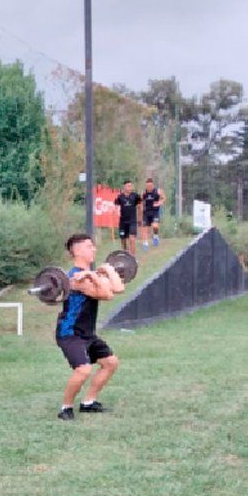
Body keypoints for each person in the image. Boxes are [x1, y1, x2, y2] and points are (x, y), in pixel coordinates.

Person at [54, 233, 125, 420]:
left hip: (87, 333)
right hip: (70, 333)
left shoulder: (88, 276)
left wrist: (108, 270)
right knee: (83, 369)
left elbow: (118, 288)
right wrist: (94, 275)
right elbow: (106, 295)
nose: (93, 249)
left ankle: (88, 402)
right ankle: (65, 408)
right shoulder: (76, 279)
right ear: (77, 251)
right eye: (89, 246)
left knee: (110, 363)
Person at [115, 180, 140, 255]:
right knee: (123, 239)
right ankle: (125, 253)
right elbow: (116, 206)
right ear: (124, 187)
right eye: (128, 186)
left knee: (132, 239)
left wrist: (140, 218)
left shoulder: (135, 196)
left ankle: (133, 257)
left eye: (131, 186)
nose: (130, 187)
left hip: (132, 221)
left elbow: (140, 206)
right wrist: (117, 210)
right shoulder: (120, 197)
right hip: (123, 222)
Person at [141, 177, 163, 249]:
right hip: (146, 212)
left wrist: (159, 203)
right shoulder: (144, 192)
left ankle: (155, 236)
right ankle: (145, 243)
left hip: (155, 212)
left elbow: (163, 198)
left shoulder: (158, 191)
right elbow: (141, 201)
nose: (149, 187)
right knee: (145, 228)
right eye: (148, 186)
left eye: (150, 186)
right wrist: (141, 207)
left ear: (153, 185)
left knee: (155, 226)